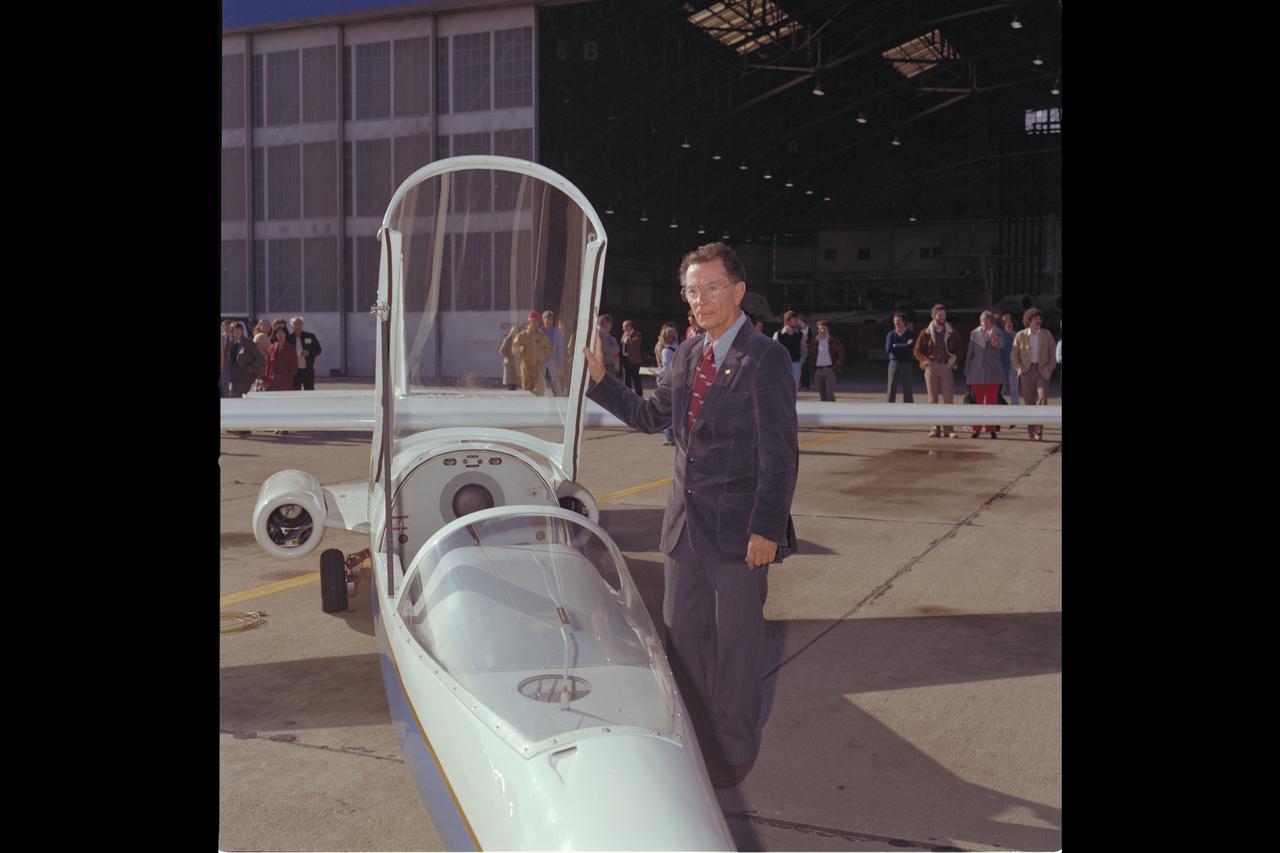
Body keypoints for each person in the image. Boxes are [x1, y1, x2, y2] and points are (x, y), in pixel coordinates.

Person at [582, 241, 798, 790]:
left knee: (738, 647)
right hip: (684, 529)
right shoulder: (686, 355)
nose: (700, 301)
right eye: (692, 292)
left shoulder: (765, 359)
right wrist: (600, 380)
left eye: (711, 289)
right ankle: (695, 735)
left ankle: (733, 747)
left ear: (739, 292)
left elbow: (779, 456)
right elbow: (652, 416)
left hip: (739, 531)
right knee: (680, 639)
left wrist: (767, 530)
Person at [913, 303, 963, 438]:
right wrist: (924, 361)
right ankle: (935, 428)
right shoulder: (925, 332)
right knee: (932, 400)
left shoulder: (952, 331)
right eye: (939, 315)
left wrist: (953, 361)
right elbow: (916, 350)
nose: (942, 317)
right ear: (933, 316)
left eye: (944, 314)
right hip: (931, 367)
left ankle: (949, 429)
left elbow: (960, 349)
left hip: (946, 367)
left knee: (948, 400)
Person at [1011, 307, 1057, 441]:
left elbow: (1054, 355)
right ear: (1029, 321)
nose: (1039, 321)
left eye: (1039, 318)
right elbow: (1013, 356)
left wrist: (1049, 369)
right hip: (1027, 372)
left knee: (1042, 398)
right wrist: (1019, 369)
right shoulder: (1020, 335)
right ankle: (1031, 431)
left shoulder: (1047, 334)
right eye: (1035, 319)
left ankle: (1039, 431)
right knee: (1029, 403)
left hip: (1042, 371)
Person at [964, 310, 1005, 438]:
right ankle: (976, 429)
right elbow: (970, 352)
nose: (984, 323)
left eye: (986, 321)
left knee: (992, 401)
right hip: (977, 370)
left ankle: (991, 428)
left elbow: (1001, 346)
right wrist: (967, 370)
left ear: (991, 322)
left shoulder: (998, 332)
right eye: (982, 321)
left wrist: (994, 337)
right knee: (977, 401)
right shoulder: (974, 333)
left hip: (993, 370)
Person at [513, 311, 552, 394]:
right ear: (529, 322)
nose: (535, 324)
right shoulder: (522, 336)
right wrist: (520, 349)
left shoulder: (543, 336)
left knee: (539, 393)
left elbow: (549, 351)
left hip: (540, 369)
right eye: (533, 321)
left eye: (537, 322)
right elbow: (514, 349)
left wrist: (543, 352)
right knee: (527, 394)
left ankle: (539, 406)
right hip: (526, 369)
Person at [806, 320, 844, 401]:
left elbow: (840, 354)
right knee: (822, 395)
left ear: (828, 330)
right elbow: (810, 356)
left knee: (830, 394)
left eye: (824, 328)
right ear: (817, 330)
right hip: (818, 371)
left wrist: (835, 368)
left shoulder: (833, 341)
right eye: (821, 329)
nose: (822, 330)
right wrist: (814, 369)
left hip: (830, 370)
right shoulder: (814, 342)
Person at [226, 322, 265, 398]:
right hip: (234, 376)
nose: (238, 332)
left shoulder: (248, 342)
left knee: (238, 394)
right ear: (232, 332)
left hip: (246, 375)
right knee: (232, 396)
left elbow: (260, 358)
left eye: (240, 330)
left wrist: (251, 369)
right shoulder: (230, 344)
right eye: (235, 330)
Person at [885, 312, 916, 403]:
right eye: (895, 321)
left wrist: (896, 345)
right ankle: (889, 407)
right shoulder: (890, 334)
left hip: (906, 363)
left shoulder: (910, 334)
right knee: (891, 388)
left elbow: (911, 348)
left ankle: (909, 409)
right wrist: (905, 345)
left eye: (898, 321)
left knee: (908, 388)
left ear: (904, 322)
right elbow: (888, 349)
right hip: (894, 363)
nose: (896, 323)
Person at [656, 323, 680, 446]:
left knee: (665, 408)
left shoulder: (666, 351)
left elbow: (666, 368)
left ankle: (669, 436)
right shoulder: (678, 347)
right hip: (678, 381)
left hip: (668, 382)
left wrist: (657, 374)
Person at [286, 317, 322, 391]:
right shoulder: (289, 338)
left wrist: (309, 352)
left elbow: (318, 350)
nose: (298, 326)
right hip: (295, 371)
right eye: (295, 324)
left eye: (300, 324)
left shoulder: (310, 336)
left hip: (308, 369)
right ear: (292, 326)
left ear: (302, 325)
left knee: (309, 391)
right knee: (295, 392)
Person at [772, 310, 804, 389]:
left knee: (794, 389)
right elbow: (773, 351)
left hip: (795, 364)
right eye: (794, 319)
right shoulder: (778, 334)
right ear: (788, 321)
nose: (796, 321)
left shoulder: (800, 335)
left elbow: (804, 350)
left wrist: (799, 363)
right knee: (782, 389)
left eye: (796, 319)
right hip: (782, 365)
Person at [266, 322, 299, 392]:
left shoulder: (291, 349)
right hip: (272, 381)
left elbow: (294, 367)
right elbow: (268, 366)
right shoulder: (271, 348)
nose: (280, 335)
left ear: (286, 334)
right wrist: (266, 380)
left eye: (282, 333)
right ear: (275, 335)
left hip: (285, 382)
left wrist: (288, 378)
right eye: (278, 333)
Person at [543, 310, 566, 394]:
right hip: (541, 364)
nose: (547, 321)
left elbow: (561, 349)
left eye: (550, 319)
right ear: (543, 320)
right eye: (545, 318)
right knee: (542, 389)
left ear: (552, 320)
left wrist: (560, 364)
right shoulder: (539, 332)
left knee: (556, 389)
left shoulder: (557, 333)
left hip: (554, 364)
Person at [995, 313, 1017, 406]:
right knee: (1000, 390)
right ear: (1003, 324)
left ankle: (1017, 410)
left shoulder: (1017, 335)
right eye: (1006, 322)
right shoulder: (1000, 335)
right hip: (1001, 365)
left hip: (1013, 365)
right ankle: (999, 409)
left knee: (1014, 390)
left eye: (1010, 322)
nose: (1009, 324)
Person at [620, 319, 645, 397]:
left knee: (636, 379)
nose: (623, 328)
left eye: (624, 326)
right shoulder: (624, 334)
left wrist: (628, 336)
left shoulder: (637, 334)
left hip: (634, 361)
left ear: (629, 326)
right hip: (625, 359)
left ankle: (639, 396)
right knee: (626, 379)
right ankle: (628, 396)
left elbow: (632, 343)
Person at [597, 314, 621, 379]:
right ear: (605, 323)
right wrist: (615, 347)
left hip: (610, 366)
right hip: (604, 366)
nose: (611, 325)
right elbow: (606, 348)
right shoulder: (598, 334)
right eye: (610, 323)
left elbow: (616, 349)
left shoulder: (607, 334)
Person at [498, 323, 521, 391]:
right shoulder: (507, 340)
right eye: (514, 332)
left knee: (516, 385)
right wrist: (509, 357)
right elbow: (502, 351)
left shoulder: (520, 340)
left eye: (517, 332)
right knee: (510, 386)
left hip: (517, 365)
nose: (515, 333)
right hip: (509, 365)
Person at [797, 315, 814, 390]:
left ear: (802, 321)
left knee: (805, 368)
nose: (798, 323)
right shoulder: (798, 330)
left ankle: (806, 385)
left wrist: (807, 344)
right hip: (800, 351)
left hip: (806, 351)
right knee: (800, 368)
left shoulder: (808, 329)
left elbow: (810, 339)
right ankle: (802, 383)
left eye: (799, 321)